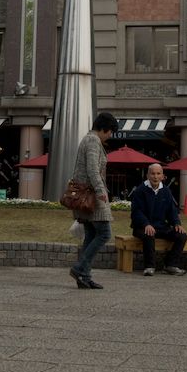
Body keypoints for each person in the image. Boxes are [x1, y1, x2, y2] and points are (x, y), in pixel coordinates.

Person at [68, 111, 119, 290]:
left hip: (86, 195)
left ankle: (85, 277)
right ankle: (80, 268)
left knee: (90, 234)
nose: (111, 135)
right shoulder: (93, 141)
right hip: (92, 196)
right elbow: (92, 168)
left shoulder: (89, 139)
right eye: (111, 131)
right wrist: (100, 190)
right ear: (104, 128)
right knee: (104, 233)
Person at [130, 163, 187, 276]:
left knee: (181, 236)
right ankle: (149, 267)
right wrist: (146, 224)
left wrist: (176, 223)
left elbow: (172, 210)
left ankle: (171, 265)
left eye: (158, 173)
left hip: (160, 226)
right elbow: (136, 212)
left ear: (162, 176)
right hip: (142, 227)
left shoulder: (166, 191)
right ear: (147, 175)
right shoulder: (140, 190)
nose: (155, 176)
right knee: (149, 234)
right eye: (152, 173)